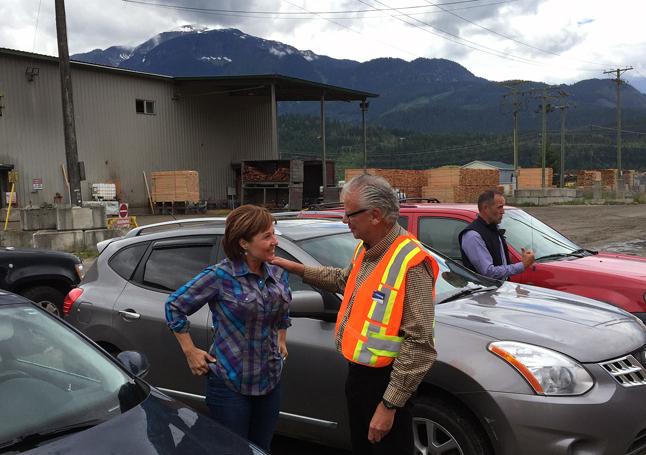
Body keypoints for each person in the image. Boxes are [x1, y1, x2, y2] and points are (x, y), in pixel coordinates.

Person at [272, 174, 438, 455]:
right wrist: (296, 268)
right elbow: (342, 280)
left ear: (375, 215)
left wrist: (388, 406)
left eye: (349, 214)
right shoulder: (369, 249)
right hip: (359, 379)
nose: (344, 221)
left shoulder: (411, 263)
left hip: (385, 384)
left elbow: (420, 346)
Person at [165, 204, 291, 452]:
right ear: (244, 243)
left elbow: (283, 309)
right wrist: (190, 352)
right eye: (267, 236)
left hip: (270, 380)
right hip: (230, 383)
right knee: (232, 449)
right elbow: (174, 306)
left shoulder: (277, 272)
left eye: (273, 233)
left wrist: (282, 338)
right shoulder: (220, 276)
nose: (275, 241)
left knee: (261, 448)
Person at [459, 189, 535, 280]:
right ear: (485, 208)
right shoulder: (473, 235)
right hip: (484, 292)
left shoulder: (494, 229)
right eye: (499, 207)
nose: (503, 211)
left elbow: (502, 263)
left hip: (499, 291)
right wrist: (522, 265)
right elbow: (488, 272)